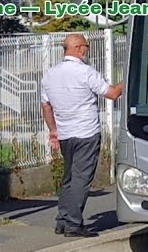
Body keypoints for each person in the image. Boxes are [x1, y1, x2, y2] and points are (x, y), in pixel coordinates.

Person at [40, 34, 123, 237]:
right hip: (86, 133)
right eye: (86, 46)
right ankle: (74, 224)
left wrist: (53, 130)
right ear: (78, 48)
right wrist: (127, 81)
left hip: (65, 134)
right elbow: (111, 93)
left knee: (69, 177)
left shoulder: (50, 74)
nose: (87, 50)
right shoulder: (86, 72)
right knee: (81, 179)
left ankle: (62, 219)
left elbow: (46, 106)